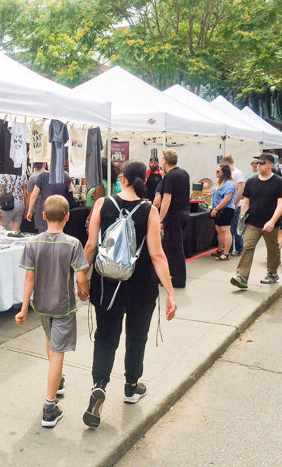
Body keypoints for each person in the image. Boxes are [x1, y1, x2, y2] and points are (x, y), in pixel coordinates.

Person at [82, 160, 177, 428]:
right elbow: (157, 255)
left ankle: (99, 385)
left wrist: (80, 276)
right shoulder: (150, 211)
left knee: (105, 337)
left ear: (121, 178)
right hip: (141, 285)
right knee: (137, 337)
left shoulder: (103, 204)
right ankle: (131, 386)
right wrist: (170, 292)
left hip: (106, 285)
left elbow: (90, 246)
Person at [15, 195, 89, 428]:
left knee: (50, 341)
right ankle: (49, 406)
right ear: (67, 217)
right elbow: (80, 275)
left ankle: (56, 382)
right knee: (58, 353)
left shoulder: (32, 243)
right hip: (63, 306)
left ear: (44, 216)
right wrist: (83, 291)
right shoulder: (73, 244)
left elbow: (29, 277)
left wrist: (24, 307)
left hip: (41, 305)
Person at [230, 153, 282, 289]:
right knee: (248, 247)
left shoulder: (278, 181)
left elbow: (280, 204)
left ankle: (272, 273)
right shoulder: (252, 182)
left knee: (273, 249)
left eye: (262, 163)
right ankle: (242, 276)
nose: (258, 165)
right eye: (257, 162)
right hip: (252, 222)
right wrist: (242, 218)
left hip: (271, 223)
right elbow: (246, 201)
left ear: (271, 164)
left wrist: (272, 221)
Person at [159, 149, 190, 288]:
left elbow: (166, 199)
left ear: (165, 160)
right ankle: (170, 275)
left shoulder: (169, 177)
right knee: (171, 246)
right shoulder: (184, 173)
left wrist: (159, 220)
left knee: (174, 247)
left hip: (174, 215)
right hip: (184, 213)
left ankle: (178, 278)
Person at [220, 155, 245, 255]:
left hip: (234, 205)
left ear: (227, 163)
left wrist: (235, 203)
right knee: (229, 228)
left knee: (234, 228)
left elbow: (240, 189)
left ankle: (239, 248)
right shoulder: (230, 174)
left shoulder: (237, 173)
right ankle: (229, 249)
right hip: (229, 205)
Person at [210, 165, 236, 260]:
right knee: (219, 231)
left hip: (226, 210)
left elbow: (227, 198)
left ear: (224, 173)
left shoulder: (229, 184)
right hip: (219, 209)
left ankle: (226, 252)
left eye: (218, 171)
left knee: (225, 231)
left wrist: (216, 209)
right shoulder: (221, 182)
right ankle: (220, 250)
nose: (216, 173)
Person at [27, 162, 48, 233]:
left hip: (37, 207)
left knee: (40, 229)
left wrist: (29, 210)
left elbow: (31, 195)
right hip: (49, 205)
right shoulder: (49, 175)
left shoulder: (32, 178)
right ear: (44, 164)